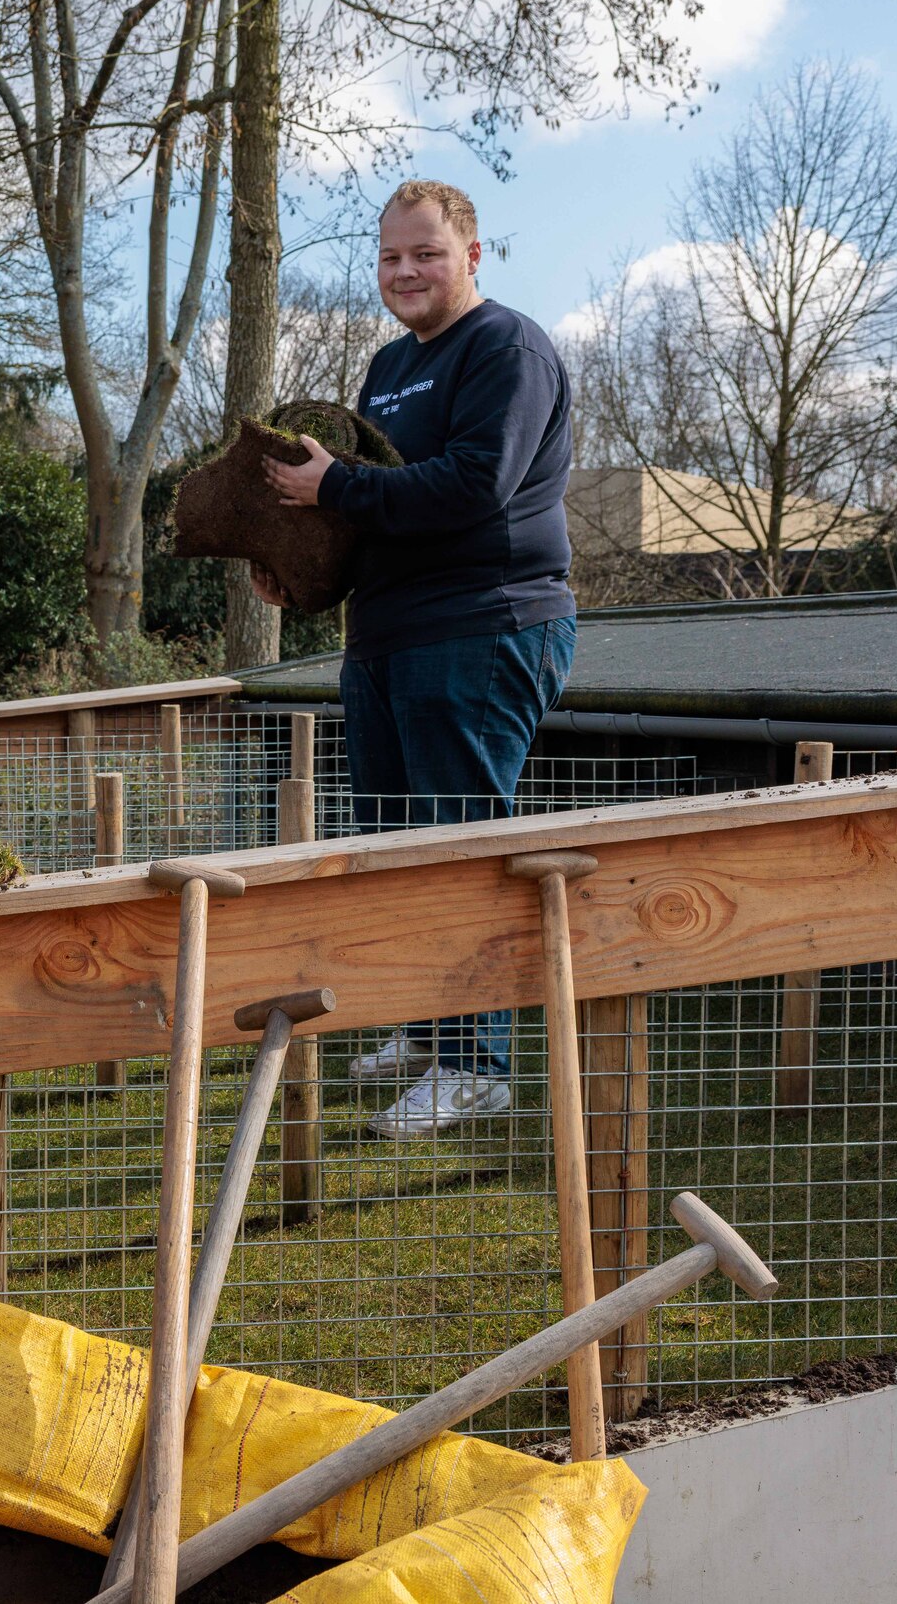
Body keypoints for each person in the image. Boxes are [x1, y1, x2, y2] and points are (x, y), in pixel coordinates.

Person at [253, 180, 578, 1138]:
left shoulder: (506, 349)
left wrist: (339, 485)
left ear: (473, 255)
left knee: (462, 846)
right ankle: (433, 1032)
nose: (405, 271)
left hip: (483, 626)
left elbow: (478, 487)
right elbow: (363, 509)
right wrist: (301, 577)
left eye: (426, 254)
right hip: (387, 634)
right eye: (391, 257)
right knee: (396, 846)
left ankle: (478, 1063)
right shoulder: (390, 366)